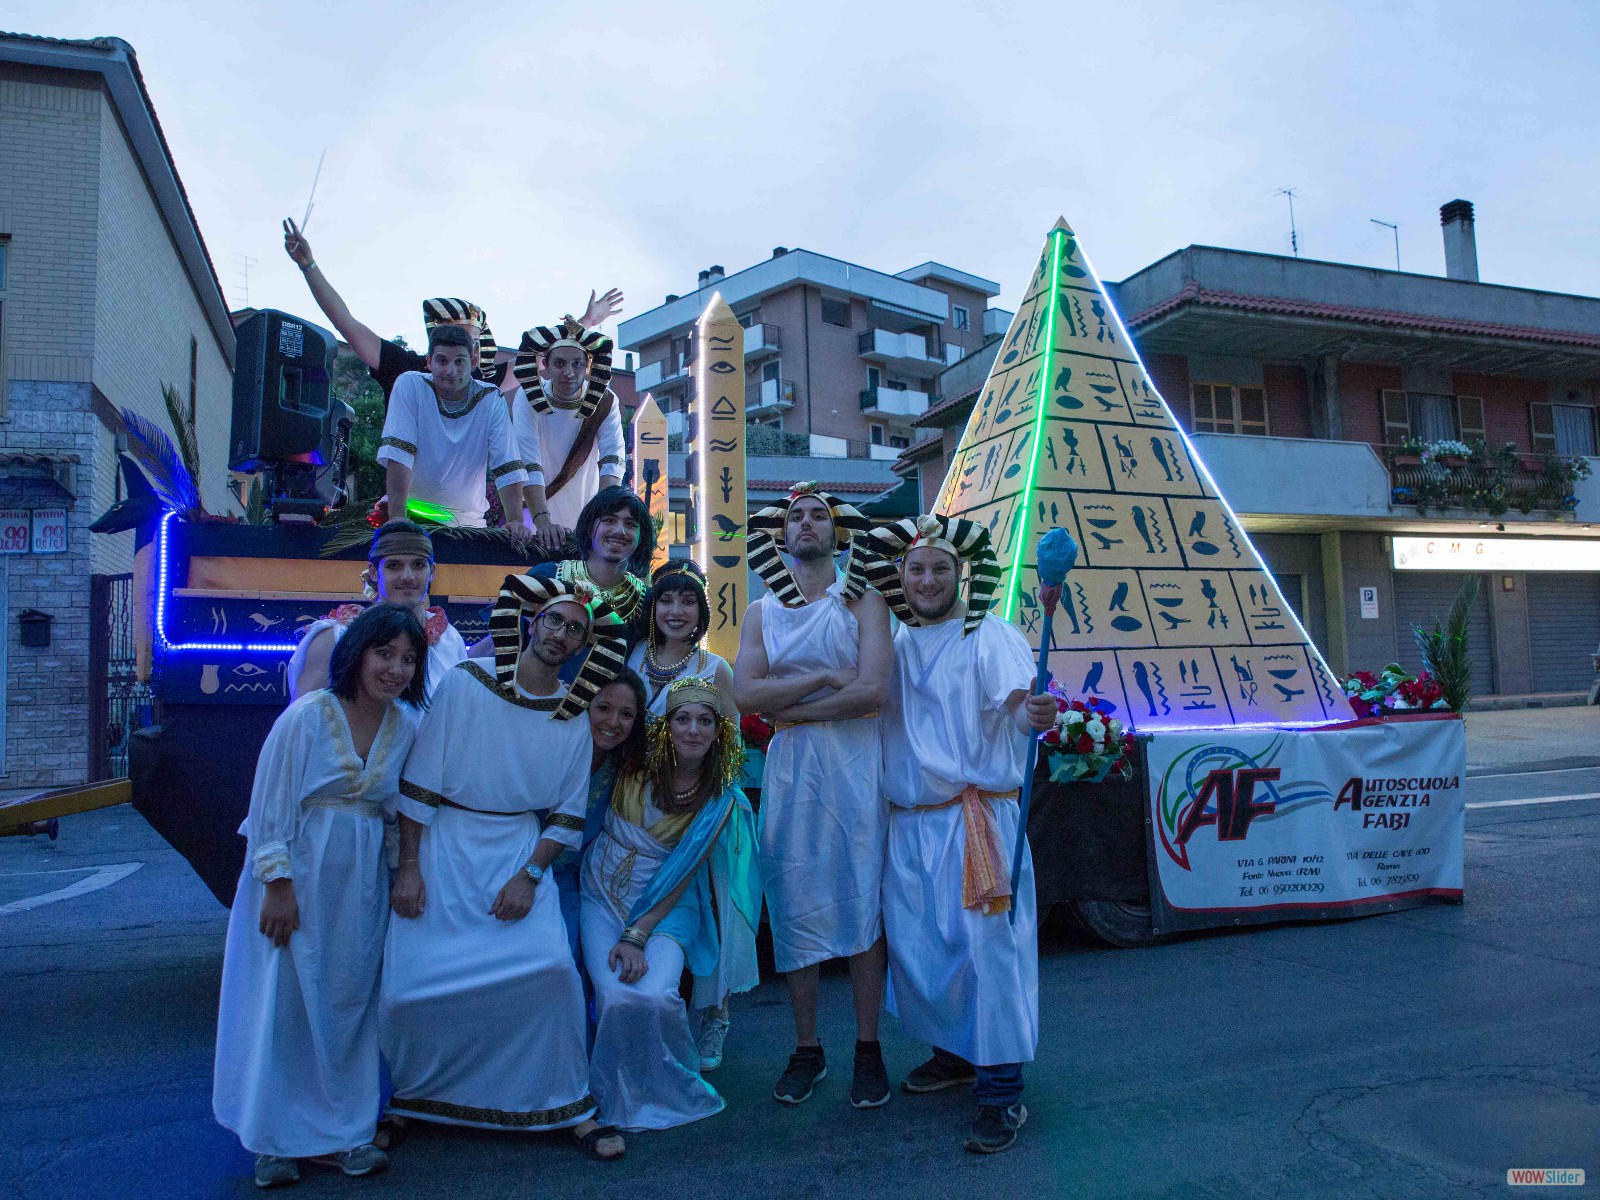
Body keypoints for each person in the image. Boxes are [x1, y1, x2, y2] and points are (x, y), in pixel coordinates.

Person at [379, 574, 629, 1161]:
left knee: (551, 975)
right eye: (554, 620)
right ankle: (413, 1099)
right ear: (531, 621)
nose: (561, 634)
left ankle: (568, 1104)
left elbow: (566, 815)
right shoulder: (468, 684)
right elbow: (418, 786)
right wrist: (409, 868)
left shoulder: (572, 716)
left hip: (518, 850)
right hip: (447, 847)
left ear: (583, 644)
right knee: (406, 992)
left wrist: (530, 876)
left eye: (575, 628)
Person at [213, 604, 427, 1189]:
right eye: (385, 653)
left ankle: (344, 1134)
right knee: (282, 1004)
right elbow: (270, 807)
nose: (396, 668)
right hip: (297, 875)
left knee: (346, 1004)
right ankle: (273, 1139)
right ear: (356, 653)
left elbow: (399, 813)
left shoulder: (406, 726)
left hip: (358, 886)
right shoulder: (308, 716)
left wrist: (402, 872)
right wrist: (277, 887)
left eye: (409, 659)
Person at [865, 515, 1058, 1155]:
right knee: (923, 951)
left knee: (988, 954)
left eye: (940, 568)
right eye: (916, 569)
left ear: (960, 575)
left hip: (978, 822)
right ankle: (953, 1053)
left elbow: (1015, 699)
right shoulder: (889, 645)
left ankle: (1001, 1090)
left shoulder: (988, 634)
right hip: (911, 822)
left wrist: (1029, 709)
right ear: (900, 578)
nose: (927, 580)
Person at [732, 483, 893, 1108]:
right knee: (795, 898)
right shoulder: (761, 611)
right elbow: (745, 696)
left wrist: (794, 707)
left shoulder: (866, 602)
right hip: (792, 773)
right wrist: (827, 678)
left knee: (861, 904)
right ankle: (807, 1046)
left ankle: (869, 1047)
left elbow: (873, 691)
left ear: (837, 531)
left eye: (817, 516)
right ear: (782, 535)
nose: (805, 524)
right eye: (795, 516)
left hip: (855, 769)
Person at [580, 676, 760, 1131]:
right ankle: (612, 1092)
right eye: (682, 719)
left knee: (658, 997)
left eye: (704, 721)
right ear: (666, 726)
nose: (693, 730)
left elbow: (681, 875)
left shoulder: (721, 799)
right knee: (616, 998)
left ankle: (664, 1087)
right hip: (599, 895)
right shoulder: (633, 764)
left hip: (667, 908)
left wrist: (637, 934)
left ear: (719, 731)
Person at [280, 217, 622, 403]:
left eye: (471, 343)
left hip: (464, 513)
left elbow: (547, 352)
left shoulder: (484, 382)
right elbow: (346, 323)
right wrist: (309, 266)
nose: (458, 359)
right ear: (431, 351)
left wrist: (588, 322)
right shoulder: (406, 372)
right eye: (448, 348)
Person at [624, 557, 741, 1071]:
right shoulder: (630, 657)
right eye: (667, 599)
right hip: (632, 813)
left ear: (701, 612)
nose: (676, 610)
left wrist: (705, 806)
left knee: (714, 915)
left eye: (687, 601)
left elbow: (732, 748)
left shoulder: (714, 670)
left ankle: (715, 1016)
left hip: (699, 814)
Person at [288, 520, 466, 702]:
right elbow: (301, 720)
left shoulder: (449, 638)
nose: (407, 576)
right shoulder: (337, 637)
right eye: (394, 566)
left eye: (418, 565)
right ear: (373, 572)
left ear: (432, 571)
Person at [376, 324, 529, 530]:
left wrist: (515, 521)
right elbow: (399, 454)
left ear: (473, 362)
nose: (451, 370)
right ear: (429, 362)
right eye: (442, 361)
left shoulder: (491, 398)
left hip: (469, 525)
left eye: (460, 361)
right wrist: (397, 520)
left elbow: (507, 464)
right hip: (411, 516)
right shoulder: (410, 385)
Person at [511, 318, 627, 548]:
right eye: (560, 363)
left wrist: (600, 521)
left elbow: (612, 463)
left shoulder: (605, 401)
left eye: (577, 364)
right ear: (546, 364)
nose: (569, 372)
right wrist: (543, 523)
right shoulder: (527, 396)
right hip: (537, 520)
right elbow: (528, 462)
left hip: (588, 521)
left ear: (588, 365)